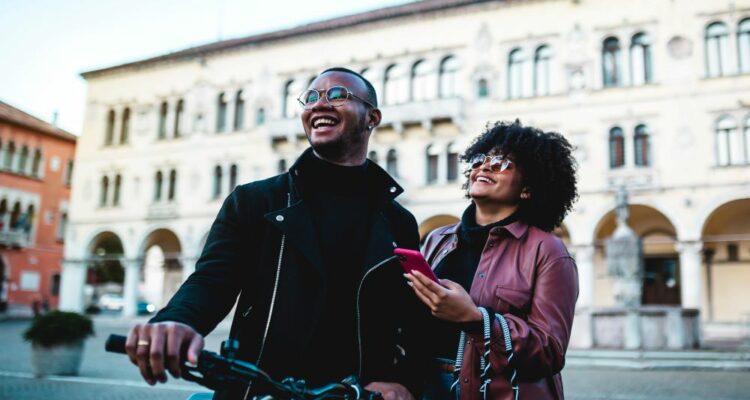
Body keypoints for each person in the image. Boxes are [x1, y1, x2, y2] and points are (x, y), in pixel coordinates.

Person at [125, 67, 427, 400]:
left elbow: (408, 318)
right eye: (311, 97)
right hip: (260, 389)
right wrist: (178, 320)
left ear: (372, 117)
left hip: (357, 393)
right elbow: (212, 280)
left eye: (337, 95)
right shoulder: (254, 201)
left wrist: (400, 380)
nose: (319, 104)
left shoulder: (398, 221)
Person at [406, 121, 579, 400]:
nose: (484, 167)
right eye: (479, 160)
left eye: (501, 163)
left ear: (527, 188)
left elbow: (550, 351)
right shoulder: (437, 238)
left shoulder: (548, 250)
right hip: (427, 388)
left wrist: (475, 319)